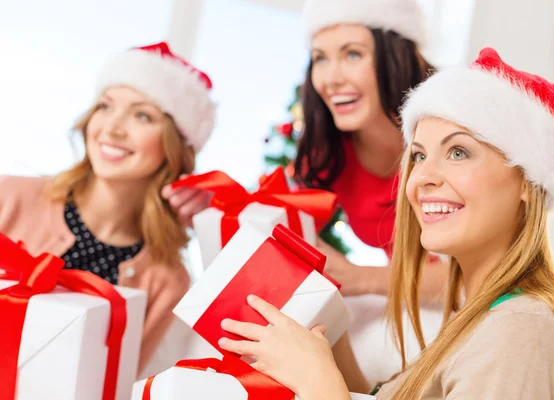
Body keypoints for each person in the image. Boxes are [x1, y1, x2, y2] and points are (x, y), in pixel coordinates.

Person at [216, 47, 554, 399]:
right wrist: (324, 332)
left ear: (527, 182)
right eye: (418, 155)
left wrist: (319, 384)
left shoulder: (518, 330)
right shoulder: (482, 319)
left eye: (458, 151)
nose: (422, 178)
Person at [162, 0, 448, 385]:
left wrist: (359, 278)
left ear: (395, 53)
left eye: (352, 54)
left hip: (460, 305)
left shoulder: (446, 139)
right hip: (407, 300)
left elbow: (471, 276)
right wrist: (215, 210)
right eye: (320, 58)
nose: (331, 77)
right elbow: (279, 215)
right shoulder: (331, 151)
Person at [0, 41, 216, 372]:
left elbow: (115, 384)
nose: (112, 128)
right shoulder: (9, 196)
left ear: (174, 145)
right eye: (105, 106)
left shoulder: (168, 280)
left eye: (142, 115)